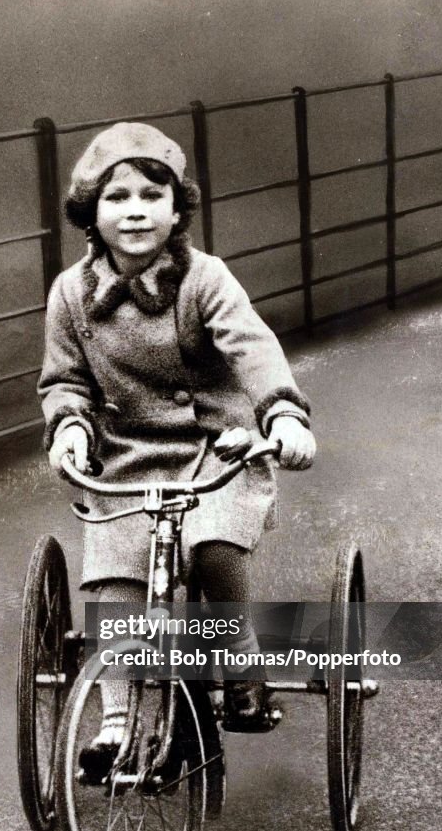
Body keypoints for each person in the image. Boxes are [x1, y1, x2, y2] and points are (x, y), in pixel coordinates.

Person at [38, 122, 315, 769]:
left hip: (221, 451)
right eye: (117, 197)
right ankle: (116, 723)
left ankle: (240, 663)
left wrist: (282, 415)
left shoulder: (204, 280)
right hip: (129, 461)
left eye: (151, 194)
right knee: (115, 582)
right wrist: (72, 428)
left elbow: (252, 347)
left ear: (176, 207)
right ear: (91, 212)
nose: (135, 210)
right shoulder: (71, 296)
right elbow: (65, 382)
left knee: (215, 548)